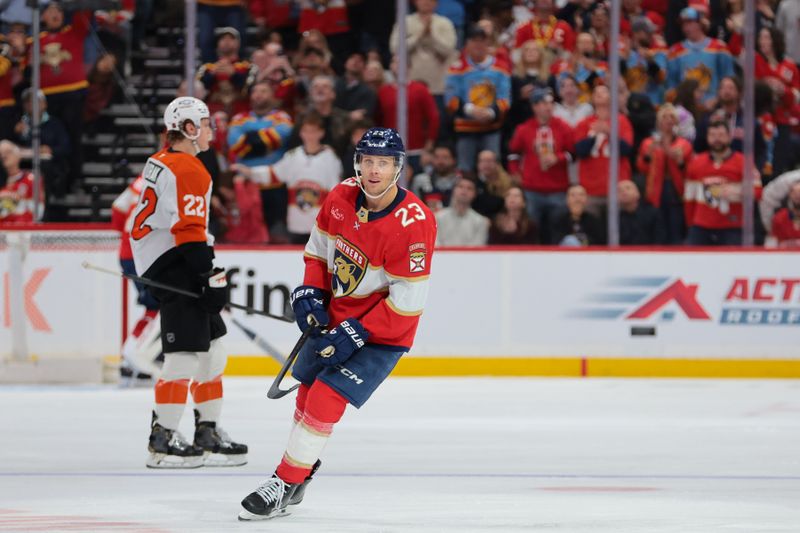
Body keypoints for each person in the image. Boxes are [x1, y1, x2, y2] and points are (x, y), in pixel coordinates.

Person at [238, 127, 437, 520]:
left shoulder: (415, 222)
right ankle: (298, 479)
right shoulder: (341, 195)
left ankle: (284, 480)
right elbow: (317, 253)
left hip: (385, 332)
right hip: (340, 316)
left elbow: (408, 302)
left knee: (326, 396)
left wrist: (359, 330)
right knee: (306, 393)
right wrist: (311, 292)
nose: (374, 170)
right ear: (357, 163)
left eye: (383, 162)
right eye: (368, 161)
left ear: (398, 167)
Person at [130, 97, 247, 468]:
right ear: (191, 129)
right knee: (183, 357)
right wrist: (209, 276)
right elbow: (190, 233)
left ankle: (207, 431)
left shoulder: (162, 161)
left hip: (169, 259)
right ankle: (162, 439)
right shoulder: (190, 169)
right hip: (174, 263)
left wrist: (208, 275)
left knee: (213, 351)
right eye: (207, 123)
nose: (212, 130)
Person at [234, 111, 343, 244]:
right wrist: (249, 172)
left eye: (313, 131)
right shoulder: (293, 156)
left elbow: (336, 192)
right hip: (296, 225)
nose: (310, 135)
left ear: (321, 133)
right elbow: (272, 174)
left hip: (321, 227)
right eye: (306, 131)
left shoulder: (330, 158)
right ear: (301, 133)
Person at [111, 174, 161, 381]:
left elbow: (117, 207)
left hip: (127, 253)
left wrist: (124, 235)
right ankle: (133, 354)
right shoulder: (172, 180)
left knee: (153, 306)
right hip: (144, 255)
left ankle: (130, 359)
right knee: (157, 306)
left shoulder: (141, 180)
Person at [508, 87, 574, 244]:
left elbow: (573, 154)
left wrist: (557, 158)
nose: (548, 107)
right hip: (532, 189)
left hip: (558, 189)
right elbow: (513, 154)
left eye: (551, 103)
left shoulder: (564, 127)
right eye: (544, 103)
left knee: (557, 229)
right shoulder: (524, 129)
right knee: (531, 229)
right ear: (534, 106)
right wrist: (515, 172)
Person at [445, 24, 511, 172]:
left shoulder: (500, 68)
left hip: (492, 127)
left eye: (482, 40)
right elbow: (450, 98)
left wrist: (491, 112)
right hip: (465, 127)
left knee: (493, 169)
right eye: (474, 40)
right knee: (464, 169)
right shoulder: (457, 68)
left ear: (487, 43)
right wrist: (470, 110)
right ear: (467, 44)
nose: (478, 45)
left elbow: (505, 98)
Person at [684, 120, 762, 246]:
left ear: (729, 137)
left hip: (732, 226)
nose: (717, 139)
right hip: (701, 226)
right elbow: (689, 197)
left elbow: (758, 192)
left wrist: (737, 192)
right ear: (707, 137)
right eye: (712, 135)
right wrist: (690, 223)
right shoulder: (696, 162)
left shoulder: (744, 162)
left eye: (721, 135)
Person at [636, 104, 693, 244]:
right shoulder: (648, 143)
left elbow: (687, 167)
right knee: (658, 232)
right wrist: (648, 155)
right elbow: (642, 167)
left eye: (672, 117)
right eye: (664, 117)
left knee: (675, 232)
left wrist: (671, 151)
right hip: (655, 192)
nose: (668, 120)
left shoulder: (683, 143)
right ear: (659, 121)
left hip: (676, 191)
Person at [435, 175, 491, 246]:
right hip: (441, 256)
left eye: (469, 188)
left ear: (474, 194)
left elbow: (477, 249)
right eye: (460, 187)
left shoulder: (481, 222)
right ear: (454, 190)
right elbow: (435, 244)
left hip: (470, 256)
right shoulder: (438, 217)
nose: (464, 191)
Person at [0, 139, 39, 223]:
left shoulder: (31, 179)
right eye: (1, 154)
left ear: (18, 155)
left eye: (8, 152)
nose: (3, 156)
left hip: (23, 230)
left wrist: (15, 198)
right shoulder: (3, 181)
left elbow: (38, 211)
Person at [617, 179, 666, 245]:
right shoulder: (612, 218)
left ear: (638, 193)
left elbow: (660, 239)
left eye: (628, 188)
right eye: (619, 190)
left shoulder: (653, 213)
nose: (623, 192)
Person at [767, 180, 800, 248]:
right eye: (794, 192)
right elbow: (772, 244)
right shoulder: (780, 217)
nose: (798, 195)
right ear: (789, 194)